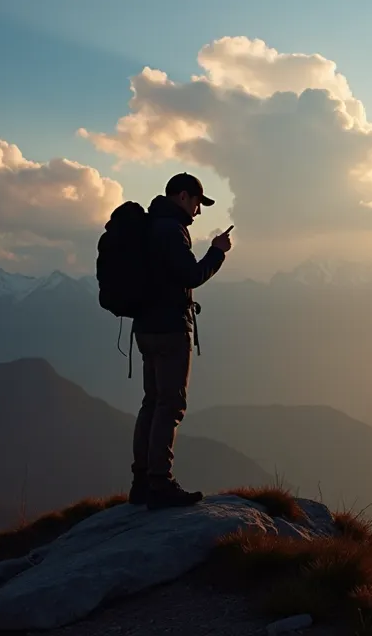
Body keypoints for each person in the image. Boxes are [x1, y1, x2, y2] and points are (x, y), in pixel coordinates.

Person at [128, 172, 232, 509]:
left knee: (152, 402)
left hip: (145, 327)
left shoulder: (149, 226)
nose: (199, 211)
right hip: (170, 328)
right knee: (170, 405)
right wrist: (217, 252)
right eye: (198, 203)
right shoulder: (171, 230)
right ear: (184, 196)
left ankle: (141, 482)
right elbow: (192, 275)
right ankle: (160, 483)